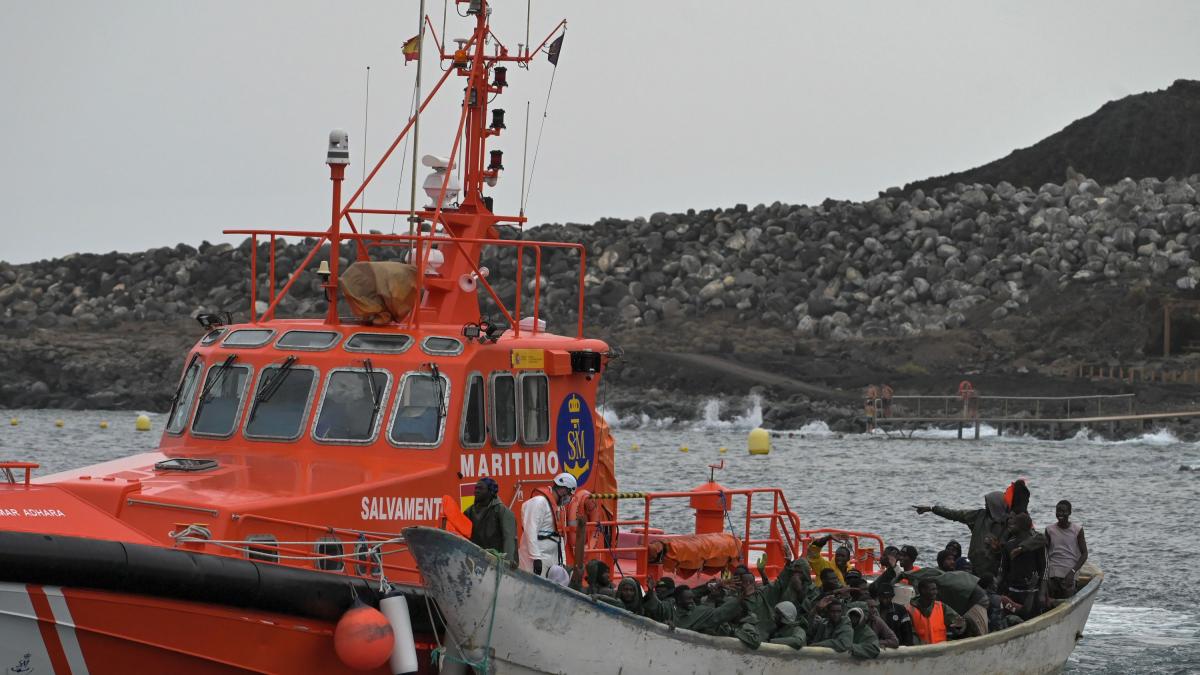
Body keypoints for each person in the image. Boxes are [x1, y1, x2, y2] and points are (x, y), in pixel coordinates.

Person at [914, 490, 1012, 579]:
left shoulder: (1008, 524)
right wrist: (933, 509)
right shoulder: (979, 515)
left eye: (988, 503)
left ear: (995, 504)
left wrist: (997, 549)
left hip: (992, 571)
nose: (986, 505)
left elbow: (1008, 550)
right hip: (973, 566)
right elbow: (956, 514)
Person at [518, 473, 576, 576]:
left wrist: (563, 563)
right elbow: (530, 530)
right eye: (569, 494)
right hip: (535, 560)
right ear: (563, 490)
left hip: (551, 560)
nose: (569, 498)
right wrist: (536, 558)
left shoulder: (558, 508)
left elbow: (560, 538)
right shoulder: (539, 502)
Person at [1000, 512, 1046, 619]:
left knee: (1031, 617)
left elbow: (1043, 568)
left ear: (1021, 526)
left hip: (1033, 593)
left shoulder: (1037, 545)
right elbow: (1003, 571)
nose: (1010, 525)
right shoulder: (1008, 545)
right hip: (1013, 592)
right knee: (1013, 619)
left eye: (1014, 523)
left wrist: (1042, 593)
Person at [462, 477, 518, 566]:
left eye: (480, 488)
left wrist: (508, 562)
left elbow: (509, 538)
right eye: (476, 488)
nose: (476, 491)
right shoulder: (468, 512)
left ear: (491, 492)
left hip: (498, 562)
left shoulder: (502, 511)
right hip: (475, 560)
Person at [1043, 500, 1088, 603]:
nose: (1060, 514)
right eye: (1058, 511)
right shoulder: (1049, 530)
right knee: (1048, 600)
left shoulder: (1077, 530)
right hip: (1052, 572)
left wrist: (1072, 572)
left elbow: (1084, 554)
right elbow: (1045, 553)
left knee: (1067, 598)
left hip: (1070, 572)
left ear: (1070, 512)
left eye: (1064, 511)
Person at [669, 585, 745, 636]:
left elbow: (719, 614)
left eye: (692, 598)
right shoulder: (669, 608)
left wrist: (738, 599)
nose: (692, 601)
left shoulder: (698, 611)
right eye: (688, 598)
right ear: (678, 600)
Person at [909, 578, 965, 644]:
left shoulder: (941, 606)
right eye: (932, 589)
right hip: (922, 651)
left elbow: (957, 623)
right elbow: (910, 634)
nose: (936, 592)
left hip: (941, 649)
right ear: (923, 590)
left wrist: (959, 626)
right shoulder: (910, 610)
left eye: (936, 589)